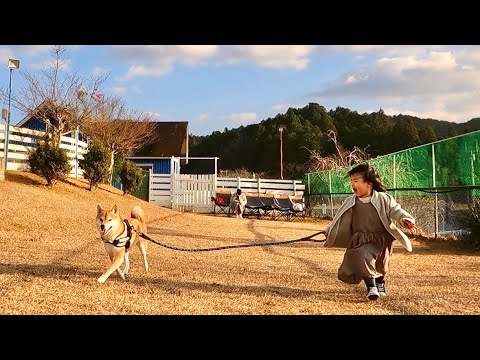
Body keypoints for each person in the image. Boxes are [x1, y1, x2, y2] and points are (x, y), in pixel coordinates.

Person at [323, 163, 417, 301]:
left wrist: (406, 219)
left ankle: (380, 284)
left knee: (381, 265)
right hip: (360, 239)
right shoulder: (351, 201)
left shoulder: (383, 198)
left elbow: (396, 210)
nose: (352, 184)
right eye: (351, 181)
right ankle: (371, 287)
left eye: (356, 181)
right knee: (362, 256)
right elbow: (338, 218)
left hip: (381, 239)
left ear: (369, 183)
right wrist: (329, 230)